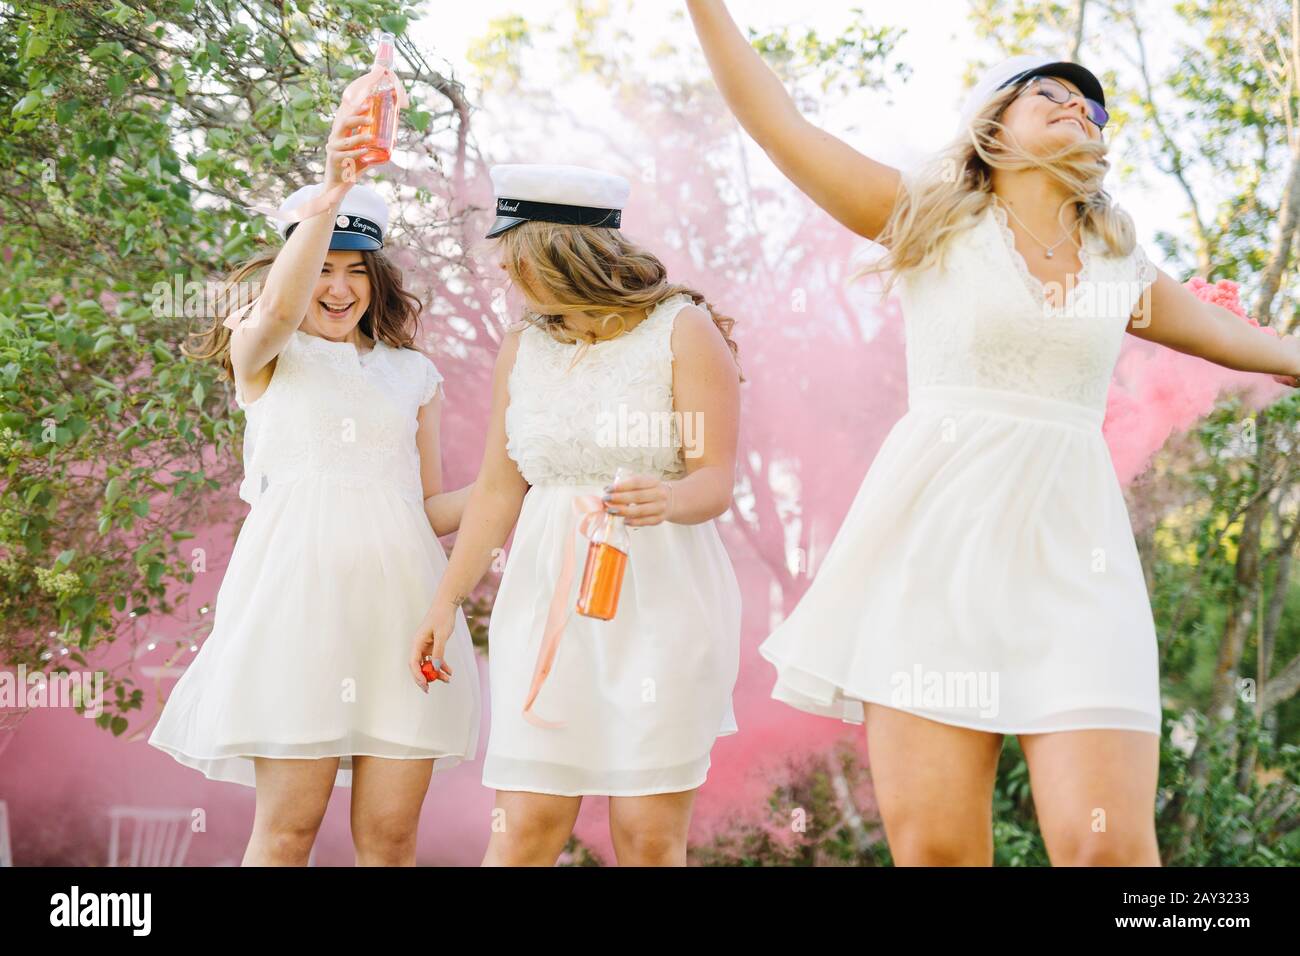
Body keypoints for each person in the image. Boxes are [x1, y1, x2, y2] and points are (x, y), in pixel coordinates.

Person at [686, 0, 1300, 866]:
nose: (1076, 107)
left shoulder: (1121, 265)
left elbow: (1265, 346)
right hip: (932, 560)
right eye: (1047, 93)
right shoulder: (928, 221)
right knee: (939, 852)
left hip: (1078, 569)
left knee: (1113, 855)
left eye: (1090, 107)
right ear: (993, 127)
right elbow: (776, 120)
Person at [149, 96, 480, 866]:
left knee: (390, 842)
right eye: (322, 268)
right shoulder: (263, 351)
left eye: (355, 271)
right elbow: (277, 309)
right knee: (287, 834)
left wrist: (526, 479)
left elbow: (428, 508)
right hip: (296, 613)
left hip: (403, 617)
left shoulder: (414, 375)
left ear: (377, 278)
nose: (338, 289)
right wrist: (329, 195)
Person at [408, 163, 743, 866]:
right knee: (523, 829)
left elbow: (714, 480)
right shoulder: (522, 347)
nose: (505, 279)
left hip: (661, 598)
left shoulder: (684, 330)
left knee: (648, 840)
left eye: (512, 261)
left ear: (554, 254)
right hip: (544, 602)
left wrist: (668, 498)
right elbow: (501, 489)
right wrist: (445, 604)